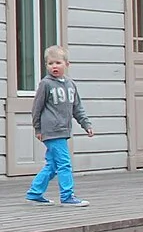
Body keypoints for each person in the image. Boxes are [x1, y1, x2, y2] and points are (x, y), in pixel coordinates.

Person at [25, 46, 94, 206]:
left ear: (67, 64)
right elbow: (37, 108)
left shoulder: (71, 84)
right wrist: (38, 128)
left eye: (58, 63)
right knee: (64, 163)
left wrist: (86, 124)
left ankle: (34, 192)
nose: (54, 66)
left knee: (52, 164)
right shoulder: (46, 84)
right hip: (51, 131)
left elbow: (77, 107)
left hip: (63, 130)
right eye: (50, 63)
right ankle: (67, 196)